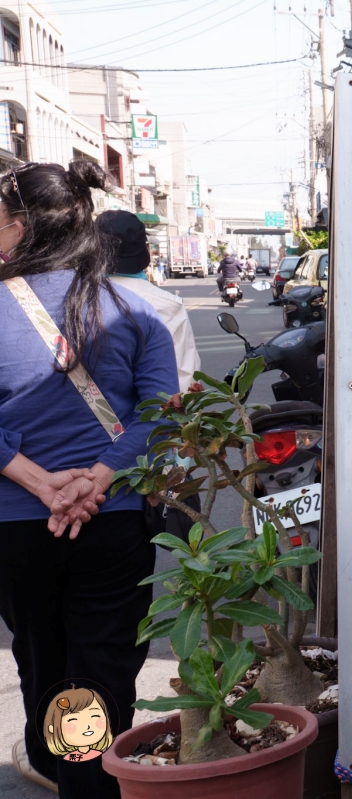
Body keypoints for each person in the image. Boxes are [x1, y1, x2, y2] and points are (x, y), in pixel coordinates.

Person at [0, 159, 177, 798]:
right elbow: (160, 419)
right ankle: (90, 784)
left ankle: (61, 771)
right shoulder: (138, 311)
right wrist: (97, 478)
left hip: (15, 524)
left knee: (41, 654)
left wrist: (40, 483)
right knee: (100, 665)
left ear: (20, 227)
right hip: (115, 519)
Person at [98, 210, 201, 392]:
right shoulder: (169, 304)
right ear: (144, 250)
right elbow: (185, 376)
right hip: (153, 414)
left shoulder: (75, 300)